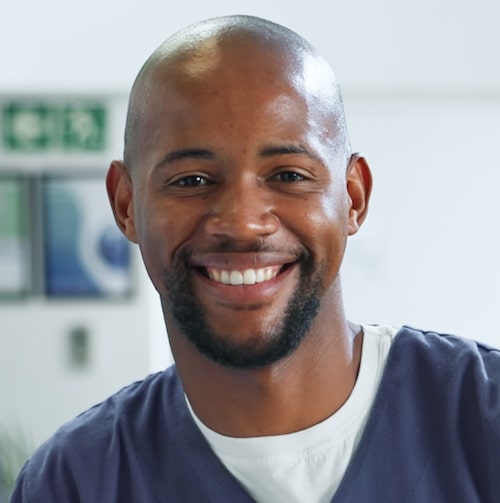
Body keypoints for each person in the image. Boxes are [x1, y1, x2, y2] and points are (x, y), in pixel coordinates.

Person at [10, 14, 500, 503]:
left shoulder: (483, 419)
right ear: (125, 205)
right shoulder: (75, 482)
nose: (244, 223)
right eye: (192, 181)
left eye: (288, 175)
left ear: (353, 197)